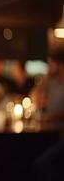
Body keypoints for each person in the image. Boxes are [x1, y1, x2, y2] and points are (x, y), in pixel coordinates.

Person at [31, 49, 64, 181]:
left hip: (61, 136)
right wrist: (45, 78)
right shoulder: (52, 82)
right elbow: (33, 95)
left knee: (41, 164)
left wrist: (49, 118)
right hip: (51, 134)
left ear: (61, 65)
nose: (49, 67)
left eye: (51, 64)